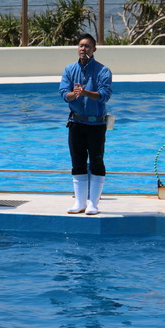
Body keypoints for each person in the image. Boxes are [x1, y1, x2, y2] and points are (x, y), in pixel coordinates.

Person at [59, 33, 113, 215]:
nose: (83, 49)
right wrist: (74, 95)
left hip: (96, 125)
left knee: (97, 161)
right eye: (81, 45)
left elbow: (104, 95)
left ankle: (93, 204)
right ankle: (80, 203)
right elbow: (63, 93)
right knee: (77, 162)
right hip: (76, 122)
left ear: (94, 49)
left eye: (88, 46)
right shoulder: (69, 69)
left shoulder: (103, 71)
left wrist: (85, 92)